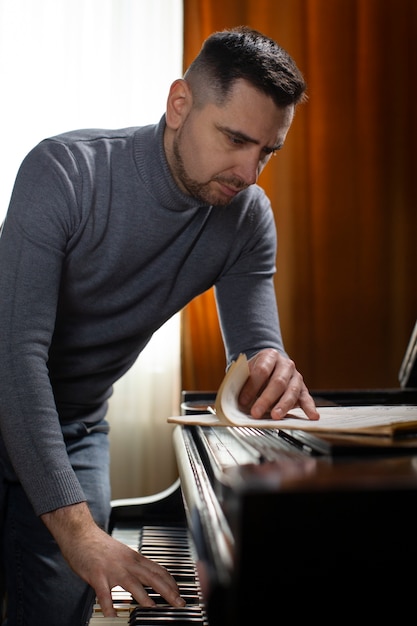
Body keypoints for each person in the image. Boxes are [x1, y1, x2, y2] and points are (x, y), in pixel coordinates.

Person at [0, 25, 320, 626]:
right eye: (235, 139)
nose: (250, 173)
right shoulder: (63, 171)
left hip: (74, 425)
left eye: (268, 151)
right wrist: (78, 530)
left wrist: (270, 372)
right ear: (179, 105)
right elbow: (15, 358)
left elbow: (255, 354)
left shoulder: (246, 219)